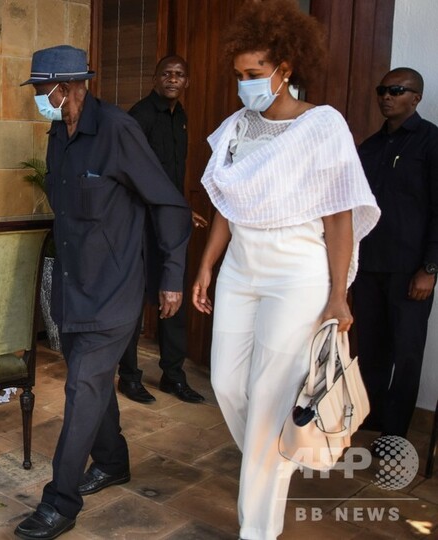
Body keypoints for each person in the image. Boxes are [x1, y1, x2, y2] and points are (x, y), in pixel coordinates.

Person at [189, 1, 380, 538]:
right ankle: (274, 457)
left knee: (271, 397)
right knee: (227, 383)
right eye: (238, 75)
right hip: (241, 268)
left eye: (254, 74)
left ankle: (257, 527)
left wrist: (338, 293)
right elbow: (228, 205)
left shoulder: (322, 125)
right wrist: (207, 265)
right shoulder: (236, 127)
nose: (244, 85)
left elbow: (339, 216)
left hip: (296, 273)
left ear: (285, 68)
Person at [14, 45, 191, 540]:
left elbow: (168, 203)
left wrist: (172, 275)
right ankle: (112, 461)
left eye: (42, 90)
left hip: (114, 288)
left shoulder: (117, 129)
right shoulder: (58, 133)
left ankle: (60, 502)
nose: (38, 99)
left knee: (83, 388)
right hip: (73, 286)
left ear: (69, 87)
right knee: (88, 383)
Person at [117, 54, 208, 404]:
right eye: (166, 74)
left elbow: (170, 176)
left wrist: (182, 209)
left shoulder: (180, 117)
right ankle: (129, 377)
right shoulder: (139, 117)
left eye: (179, 74)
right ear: (154, 79)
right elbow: (133, 175)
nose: (172, 79)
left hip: (168, 220)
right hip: (140, 222)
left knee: (174, 296)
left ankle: (173, 375)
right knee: (135, 301)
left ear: (187, 82)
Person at [354, 67, 438, 439]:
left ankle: (394, 434)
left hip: (410, 270)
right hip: (369, 265)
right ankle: (369, 420)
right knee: (371, 349)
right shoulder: (370, 147)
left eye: (397, 90)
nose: (387, 96)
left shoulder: (431, 142)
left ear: (416, 98)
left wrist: (430, 268)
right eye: (382, 90)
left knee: (406, 353)